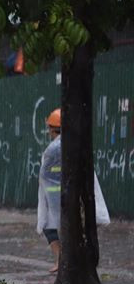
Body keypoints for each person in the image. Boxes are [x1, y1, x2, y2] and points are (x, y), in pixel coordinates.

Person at [36, 107, 110, 272]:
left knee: (50, 226)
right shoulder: (76, 143)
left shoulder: (53, 149)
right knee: (75, 229)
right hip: (77, 195)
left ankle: (61, 261)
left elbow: (45, 175)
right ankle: (77, 261)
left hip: (58, 196)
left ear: (52, 129)